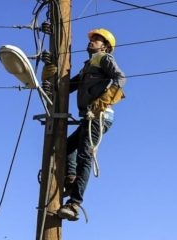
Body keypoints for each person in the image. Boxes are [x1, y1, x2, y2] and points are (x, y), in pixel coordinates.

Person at [47, 28, 126, 221]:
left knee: (84, 156)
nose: (92, 42)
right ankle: (71, 178)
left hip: (100, 117)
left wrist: (101, 102)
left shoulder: (104, 59)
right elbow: (69, 87)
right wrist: (51, 81)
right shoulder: (87, 66)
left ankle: (74, 204)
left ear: (105, 47)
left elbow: (121, 79)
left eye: (97, 40)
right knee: (64, 149)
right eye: (92, 39)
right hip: (89, 118)